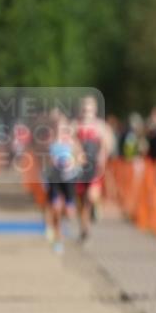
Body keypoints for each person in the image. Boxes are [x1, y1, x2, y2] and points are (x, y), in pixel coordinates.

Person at [74, 96, 113, 242]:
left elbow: (107, 144)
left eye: (89, 109)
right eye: (84, 109)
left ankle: (95, 208)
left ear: (94, 110)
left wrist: (103, 155)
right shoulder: (75, 125)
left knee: (91, 196)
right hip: (80, 168)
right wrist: (76, 153)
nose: (86, 112)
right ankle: (85, 228)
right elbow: (71, 143)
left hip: (95, 167)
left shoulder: (100, 126)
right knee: (81, 200)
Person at [44, 116, 85, 254]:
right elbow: (45, 160)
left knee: (69, 213)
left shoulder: (73, 142)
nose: (60, 130)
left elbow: (81, 159)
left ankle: (65, 223)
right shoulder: (50, 142)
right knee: (56, 208)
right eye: (58, 127)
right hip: (55, 180)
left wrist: (73, 163)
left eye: (63, 127)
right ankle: (58, 239)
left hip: (69, 179)